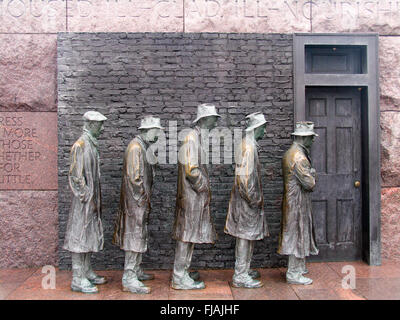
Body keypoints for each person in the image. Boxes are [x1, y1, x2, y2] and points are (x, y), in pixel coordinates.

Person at [171, 103, 221, 290]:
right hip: (191, 198)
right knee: (186, 236)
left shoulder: (197, 138)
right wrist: (204, 188)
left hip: (194, 198)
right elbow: (191, 170)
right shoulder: (192, 138)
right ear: (204, 120)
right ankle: (178, 276)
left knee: (190, 235)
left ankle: (183, 270)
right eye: (213, 119)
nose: (216, 123)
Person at [113, 116, 164, 294]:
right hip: (136, 203)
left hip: (139, 202)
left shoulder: (142, 146)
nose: (158, 135)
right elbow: (135, 178)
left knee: (139, 235)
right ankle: (129, 277)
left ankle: (136, 270)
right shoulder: (136, 147)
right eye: (156, 131)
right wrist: (142, 198)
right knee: (134, 237)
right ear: (146, 131)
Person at [63, 110, 107, 293]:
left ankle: (87, 271)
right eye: (99, 125)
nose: (102, 129)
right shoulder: (80, 145)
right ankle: (77, 278)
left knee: (88, 234)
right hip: (83, 202)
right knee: (79, 237)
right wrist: (86, 196)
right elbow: (75, 176)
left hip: (91, 200)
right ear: (89, 125)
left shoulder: (91, 144)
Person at [225, 112, 270, 288]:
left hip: (247, 200)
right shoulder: (248, 147)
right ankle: (240, 275)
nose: (265, 132)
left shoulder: (249, 145)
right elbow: (243, 179)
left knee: (247, 236)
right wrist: (254, 200)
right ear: (256, 129)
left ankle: (244, 269)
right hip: (246, 202)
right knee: (244, 237)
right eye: (263, 128)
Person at [278, 121, 319, 285]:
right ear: (304, 138)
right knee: (296, 234)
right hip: (297, 202)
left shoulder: (290, 152)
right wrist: (313, 174)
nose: (313, 141)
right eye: (311, 137)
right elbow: (310, 184)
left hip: (294, 200)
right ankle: (294, 273)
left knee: (298, 233)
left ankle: (299, 267)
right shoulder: (299, 157)